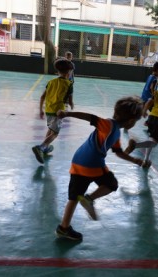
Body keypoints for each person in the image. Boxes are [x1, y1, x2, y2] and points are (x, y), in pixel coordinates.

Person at [56, 96, 144, 241]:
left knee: (73, 197)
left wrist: (134, 160)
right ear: (130, 121)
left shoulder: (114, 131)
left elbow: (119, 152)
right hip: (93, 164)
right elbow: (90, 117)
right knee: (111, 184)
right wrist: (67, 114)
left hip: (78, 161)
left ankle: (63, 228)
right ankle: (89, 199)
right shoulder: (108, 125)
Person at [32, 58, 74, 164]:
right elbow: (70, 99)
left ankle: (45, 148)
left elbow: (42, 97)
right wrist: (72, 104)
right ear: (68, 72)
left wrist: (41, 110)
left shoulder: (51, 82)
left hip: (48, 109)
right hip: (59, 111)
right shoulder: (69, 84)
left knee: (51, 129)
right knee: (55, 133)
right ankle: (41, 147)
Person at [141, 62, 158, 126]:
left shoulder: (150, 76)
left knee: (139, 112)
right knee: (155, 111)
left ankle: (129, 121)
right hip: (149, 98)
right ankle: (148, 122)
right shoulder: (154, 79)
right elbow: (152, 87)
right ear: (157, 70)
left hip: (143, 97)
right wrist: (154, 95)